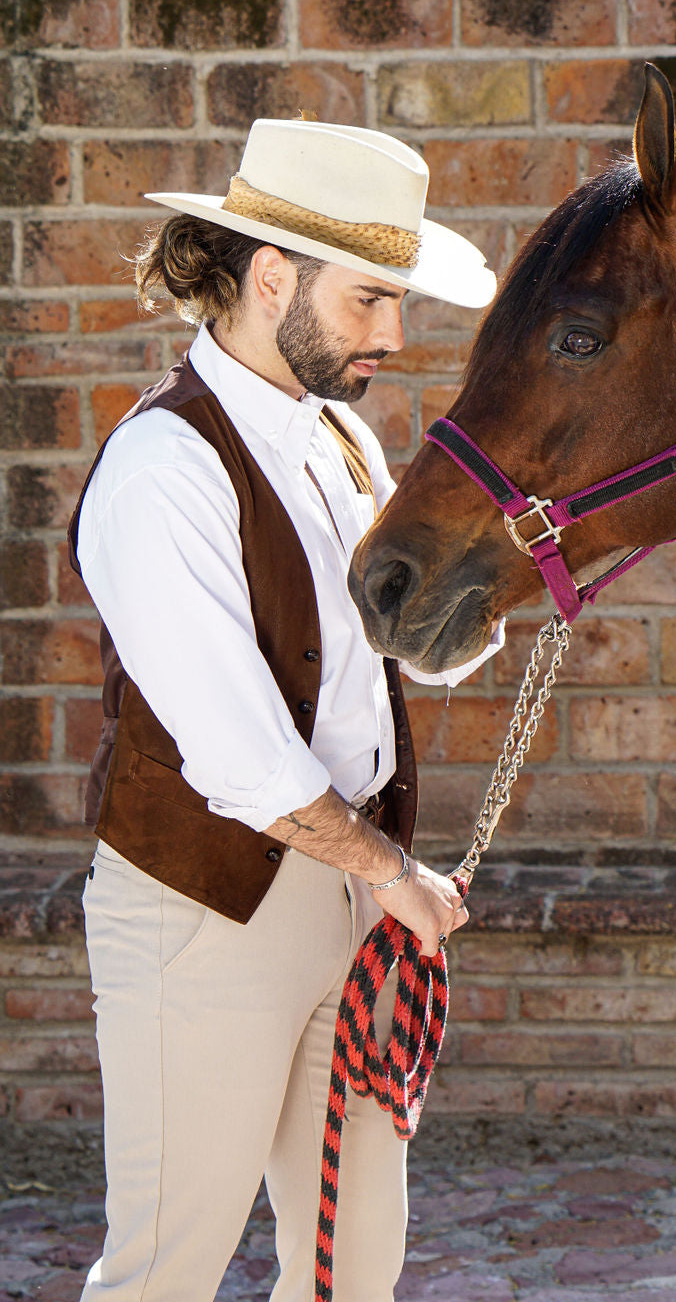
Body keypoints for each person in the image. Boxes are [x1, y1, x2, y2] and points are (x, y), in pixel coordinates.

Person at [67, 118, 500, 1302]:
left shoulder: (345, 442)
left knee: (354, 1269)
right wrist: (392, 872)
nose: (393, 336)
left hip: (350, 888)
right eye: (368, 300)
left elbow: (387, 660)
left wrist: (506, 586)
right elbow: (242, 759)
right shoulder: (163, 469)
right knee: (167, 1268)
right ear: (272, 280)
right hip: (204, 909)